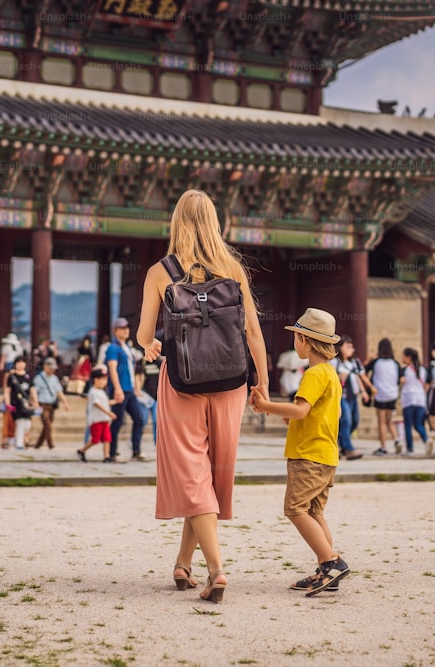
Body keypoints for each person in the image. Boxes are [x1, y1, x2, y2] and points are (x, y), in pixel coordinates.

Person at [136, 189, 269, 603]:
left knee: (193, 475)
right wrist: (261, 382)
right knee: (210, 475)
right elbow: (253, 333)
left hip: (183, 383)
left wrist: (151, 345)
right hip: (231, 382)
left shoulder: (162, 271)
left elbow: (144, 335)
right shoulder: (232, 268)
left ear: (177, 222)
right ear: (214, 221)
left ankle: (216, 570)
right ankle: (183, 563)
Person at [250, 308, 351, 597]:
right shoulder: (329, 374)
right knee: (314, 511)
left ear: (305, 341)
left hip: (308, 455)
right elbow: (308, 414)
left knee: (295, 509)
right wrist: (289, 415)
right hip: (326, 454)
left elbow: (300, 409)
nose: (295, 341)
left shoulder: (314, 373)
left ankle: (332, 562)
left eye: (296, 336)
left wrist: (266, 407)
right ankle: (326, 568)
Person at [105, 317, 147, 462]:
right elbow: (112, 368)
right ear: (115, 331)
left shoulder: (127, 348)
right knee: (117, 421)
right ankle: (111, 452)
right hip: (119, 390)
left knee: (139, 418)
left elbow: (133, 370)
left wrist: (136, 387)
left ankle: (136, 450)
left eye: (127, 328)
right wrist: (117, 389)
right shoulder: (112, 348)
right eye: (122, 328)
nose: (126, 330)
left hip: (130, 390)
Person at [330, 335, 371, 461]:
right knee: (346, 420)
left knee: (354, 421)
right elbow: (330, 378)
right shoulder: (335, 362)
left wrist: (364, 391)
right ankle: (348, 448)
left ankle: (338, 445)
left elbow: (358, 377)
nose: (351, 349)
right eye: (347, 346)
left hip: (353, 395)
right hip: (341, 395)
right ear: (340, 347)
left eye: (351, 347)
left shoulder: (354, 362)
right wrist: (339, 377)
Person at [367, 338, 401, 456]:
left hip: (380, 395)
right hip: (392, 395)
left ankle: (383, 447)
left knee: (381, 422)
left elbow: (363, 370)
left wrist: (371, 358)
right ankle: (396, 440)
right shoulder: (395, 363)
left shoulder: (376, 362)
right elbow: (399, 379)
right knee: (389, 421)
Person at [78, 367, 117, 462]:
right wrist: (108, 413)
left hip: (105, 419)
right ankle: (82, 450)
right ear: (96, 380)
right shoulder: (93, 392)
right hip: (96, 420)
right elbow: (97, 404)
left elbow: (106, 403)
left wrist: (115, 401)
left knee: (107, 438)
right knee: (95, 439)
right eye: (103, 379)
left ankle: (106, 456)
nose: (105, 382)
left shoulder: (102, 392)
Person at [32, 357, 68, 449]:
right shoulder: (39, 378)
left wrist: (65, 403)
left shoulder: (55, 378)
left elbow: (59, 391)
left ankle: (38, 444)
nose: (52, 370)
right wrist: (35, 402)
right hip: (42, 404)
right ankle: (50, 445)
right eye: (50, 368)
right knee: (47, 424)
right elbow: (34, 390)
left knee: (47, 425)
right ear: (45, 366)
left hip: (52, 405)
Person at [399, 347, 429, 455]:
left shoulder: (405, 370)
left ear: (408, 357)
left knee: (408, 425)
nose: (402, 358)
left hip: (409, 399)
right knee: (418, 424)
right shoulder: (423, 370)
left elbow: (401, 382)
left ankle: (410, 448)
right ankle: (426, 439)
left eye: (403, 356)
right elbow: (427, 384)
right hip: (421, 399)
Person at [4, 357, 37, 451]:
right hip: (16, 403)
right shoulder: (12, 377)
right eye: (18, 363)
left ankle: (21, 440)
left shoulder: (28, 376)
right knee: (19, 423)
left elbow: (32, 389)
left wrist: (35, 401)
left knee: (27, 424)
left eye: (22, 362)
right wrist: (7, 403)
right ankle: (19, 443)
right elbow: (7, 391)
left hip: (26, 403)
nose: (20, 365)